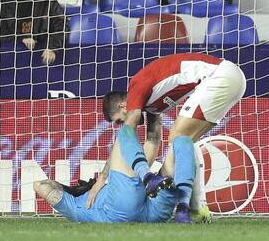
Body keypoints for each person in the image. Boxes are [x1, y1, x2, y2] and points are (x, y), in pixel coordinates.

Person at [101, 52, 246, 222]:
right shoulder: (152, 108)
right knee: (186, 142)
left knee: (178, 137)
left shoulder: (136, 86)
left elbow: (127, 133)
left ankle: (192, 208)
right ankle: (198, 208)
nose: (122, 123)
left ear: (122, 106)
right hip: (233, 79)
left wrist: (104, 178)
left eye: (119, 119)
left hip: (220, 76)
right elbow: (153, 141)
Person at [34, 125, 196, 223]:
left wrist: (76, 189)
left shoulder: (77, 209)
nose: (87, 182)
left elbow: (42, 185)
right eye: (80, 185)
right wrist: (72, 190)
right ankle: (182, 205)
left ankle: (182, 209)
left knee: (182, 141)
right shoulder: (75, 205)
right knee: (125, 132)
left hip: (152, 212)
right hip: (123, 210)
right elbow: (39, 185)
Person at [0, 0, 69, 65]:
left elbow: (62, 26)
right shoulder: (5, 4)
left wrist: (52, 47)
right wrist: (21, 39)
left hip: (41, 59)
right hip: (11, 59)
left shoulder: (48, 2)